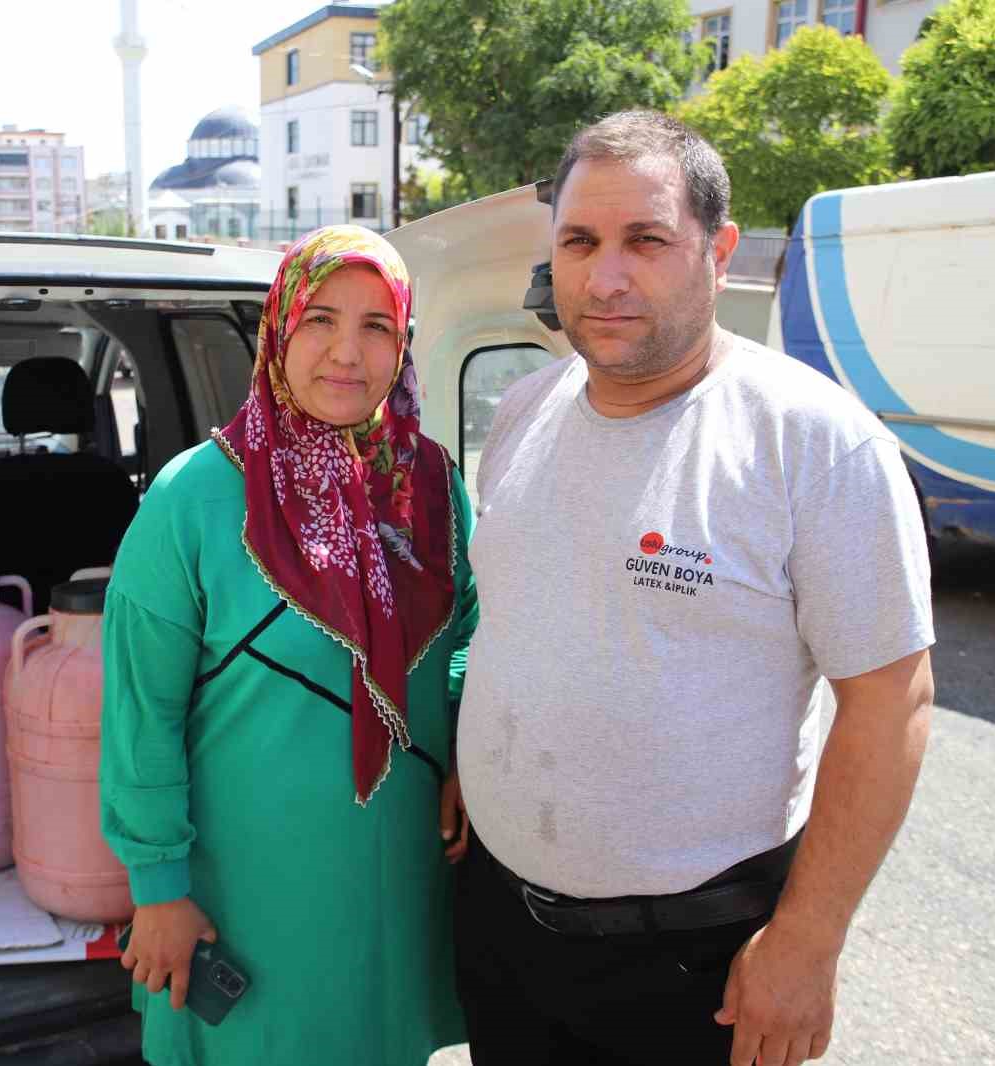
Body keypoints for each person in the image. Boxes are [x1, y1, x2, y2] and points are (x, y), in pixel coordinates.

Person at [453, 110, 936, 1066]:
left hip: (690, 963)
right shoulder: (521, 411)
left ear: (716, 251)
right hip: (502, 927)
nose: (606, 276)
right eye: (580, 242)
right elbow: (515, 622)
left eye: (647, 240)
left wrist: (807, 941)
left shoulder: (814, 443)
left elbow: (892, 702)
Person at [100, 225, 476, 1066]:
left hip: (396, 870)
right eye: (321, 319)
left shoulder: (433, 486)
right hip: (246, 885)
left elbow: (469, 634)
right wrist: (158, 890)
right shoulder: (194, 496)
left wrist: (458, 756)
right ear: (279, 328)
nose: (348, 352)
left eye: (378, 325)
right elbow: (141, 711)